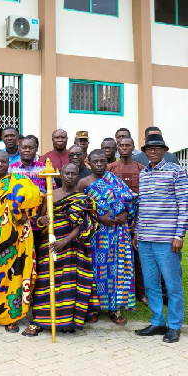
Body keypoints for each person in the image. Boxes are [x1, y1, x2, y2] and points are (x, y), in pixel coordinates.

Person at [22, 163, 99, 337]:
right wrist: (42, 220)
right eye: (67, 173)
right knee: (45, 282)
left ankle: (65, 321)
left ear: (78, 176)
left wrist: (65, 241)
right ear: (61, 175)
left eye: (73, 173)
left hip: (72, 246)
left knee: (68, 284)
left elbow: (85, 224)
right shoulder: (50, 194)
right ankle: (40, 320)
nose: (70, 176)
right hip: (49, 244)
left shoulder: (83, 199)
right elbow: (39, 220)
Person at [134, 133, 188, 344]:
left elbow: (184, 205)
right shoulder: (144, 174)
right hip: (146, 238)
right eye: (149, 149)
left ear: (165, 151)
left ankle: (174, 325)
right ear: (145, 152)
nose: (153, 151)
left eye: (157, 148)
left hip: (167, 239)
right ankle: (157, 321)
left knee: (172, 285)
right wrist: (137, 232)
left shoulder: (177, 172)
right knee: (151, 284)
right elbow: (143, 207)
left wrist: (179, 235)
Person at [0, 150, 42, 333]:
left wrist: (24, 213)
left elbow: (36, 197)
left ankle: (12, 317)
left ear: (9, 163)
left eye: (3, 161)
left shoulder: (19, 182)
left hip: (15, 239)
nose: (0, 164)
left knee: (15, 277)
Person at [77, 149, 137, 325]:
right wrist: (99, 217)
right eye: (95, 161)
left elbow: (129, 199)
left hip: (118, 232)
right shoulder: (83, 183)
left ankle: (115, 310)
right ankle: (94, 308)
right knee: (95, 270)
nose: (99, 164)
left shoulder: (114, 180)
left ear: (107, 162)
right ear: (88, 162)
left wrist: (125, 214)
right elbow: (79, 209)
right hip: (96, 234)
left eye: (102, 161)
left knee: (117, 269)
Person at [108, 137, 147, 305]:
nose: (124, 148)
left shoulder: (142, 169)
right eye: (121, 145)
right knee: (117, 258)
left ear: (133, 148)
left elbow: (145, 197)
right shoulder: (111, 168)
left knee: (139, 257)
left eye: (127, 145)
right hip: (117, 219)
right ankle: (118, 291)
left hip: (139, 218)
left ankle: (142, 292)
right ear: (117, 148)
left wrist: (137, 222)